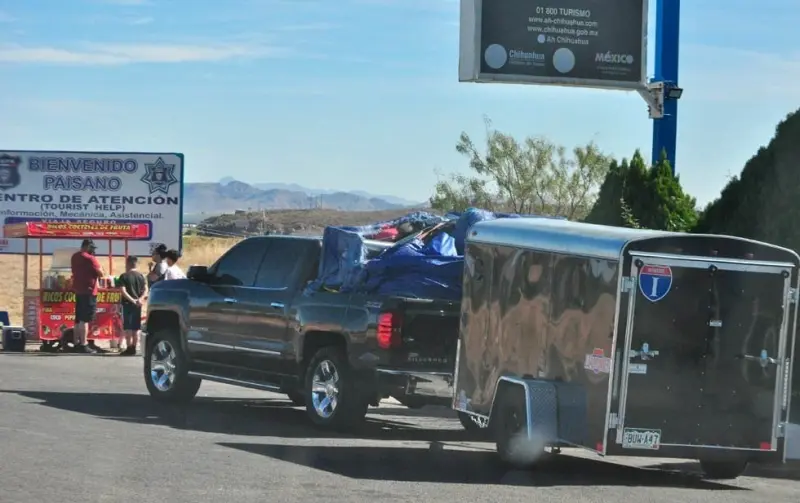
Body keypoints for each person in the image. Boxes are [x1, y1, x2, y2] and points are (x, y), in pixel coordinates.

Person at [70, 239, 105, 354]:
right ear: (87, 247)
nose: (92, 251)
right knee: (85, 319)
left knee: (78, 319)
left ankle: (76, 343)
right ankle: (84, 344)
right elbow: (101, 273)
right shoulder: (90, 259)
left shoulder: (74, 256)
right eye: (92, 248)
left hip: (78, 290)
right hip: (89, 291)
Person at [118, 256, 147, 356]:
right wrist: (140, 299)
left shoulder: (124, 276)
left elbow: (122, 291)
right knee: (136, 327)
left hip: (127, 304)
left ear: (128, 263)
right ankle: (134, 347)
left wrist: (132, 300)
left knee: (128, 327)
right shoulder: (141, 276)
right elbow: (146, 289)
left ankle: (129, 347)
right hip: (138, 305)